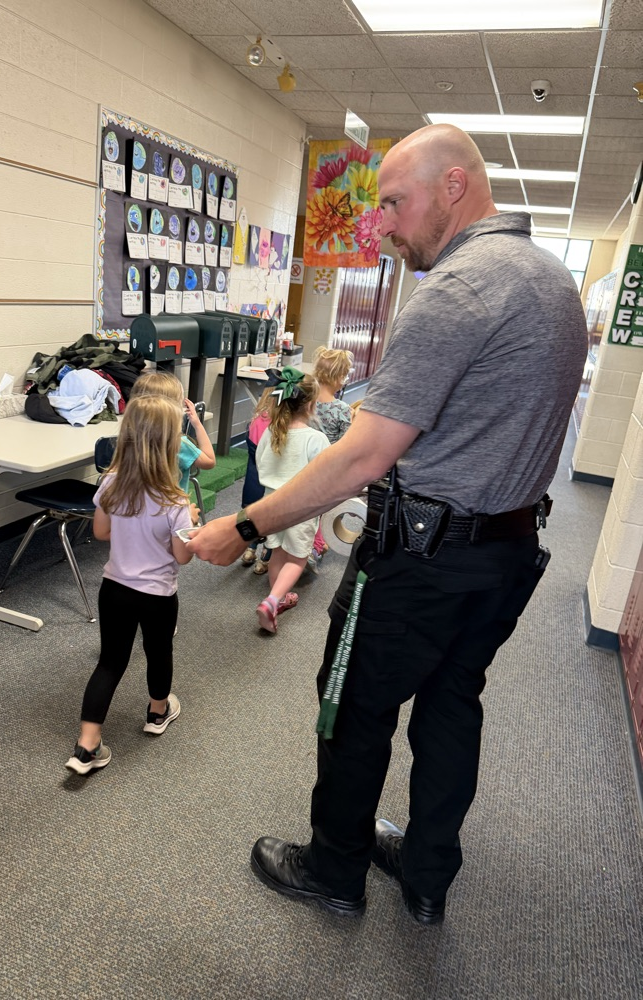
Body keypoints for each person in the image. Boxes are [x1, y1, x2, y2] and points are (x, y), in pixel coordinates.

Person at [189, 123, 587, 924]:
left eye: (396, 203)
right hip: (507, 553)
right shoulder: (553, 284)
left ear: (454, 188)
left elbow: (362, 458)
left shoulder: (457, 291)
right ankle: (428, 873)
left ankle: (335, 868)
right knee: (450, 703)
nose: (384, 226)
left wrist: (246, 528)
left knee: (355, 704)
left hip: (419, 562)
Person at [65, 396, 195, 775]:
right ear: (172, 444)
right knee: (158, 651)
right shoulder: (175, 500)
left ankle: (87, 746)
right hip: (157, 595)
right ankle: (157, 712)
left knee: (110, 662)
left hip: (115, 589)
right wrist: (192, 527)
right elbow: (182, 557)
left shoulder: (110, 484)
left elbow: (101, 532)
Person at [253, 368, 329, 633]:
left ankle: (280, 596)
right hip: (301, 508)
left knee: (277, 552)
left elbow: (260, 464)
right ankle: (272, 601)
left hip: (271, 506)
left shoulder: (271, 432)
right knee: (296, 558)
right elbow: (326, 475)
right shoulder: (316, 439)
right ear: (310, 405)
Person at [129, 369, 216, 493]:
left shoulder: (129, 438)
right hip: (173, 508)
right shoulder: (178, 444)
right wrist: (197, 423)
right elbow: (210, 461)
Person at [309, 348, 356, 567]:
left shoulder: (305, 402)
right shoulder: (342, 410)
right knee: (319, 509)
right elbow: (347, 446)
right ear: (339, 378)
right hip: (328, 469)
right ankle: (313, 547)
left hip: (303, 463)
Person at [240, 387, 272, 575]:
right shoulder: (279, 426)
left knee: (251, 517)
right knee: (272, 522)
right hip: (269, 483)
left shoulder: (255, 420)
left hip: (252, 481)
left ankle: (249, 550)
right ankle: (264, 560)